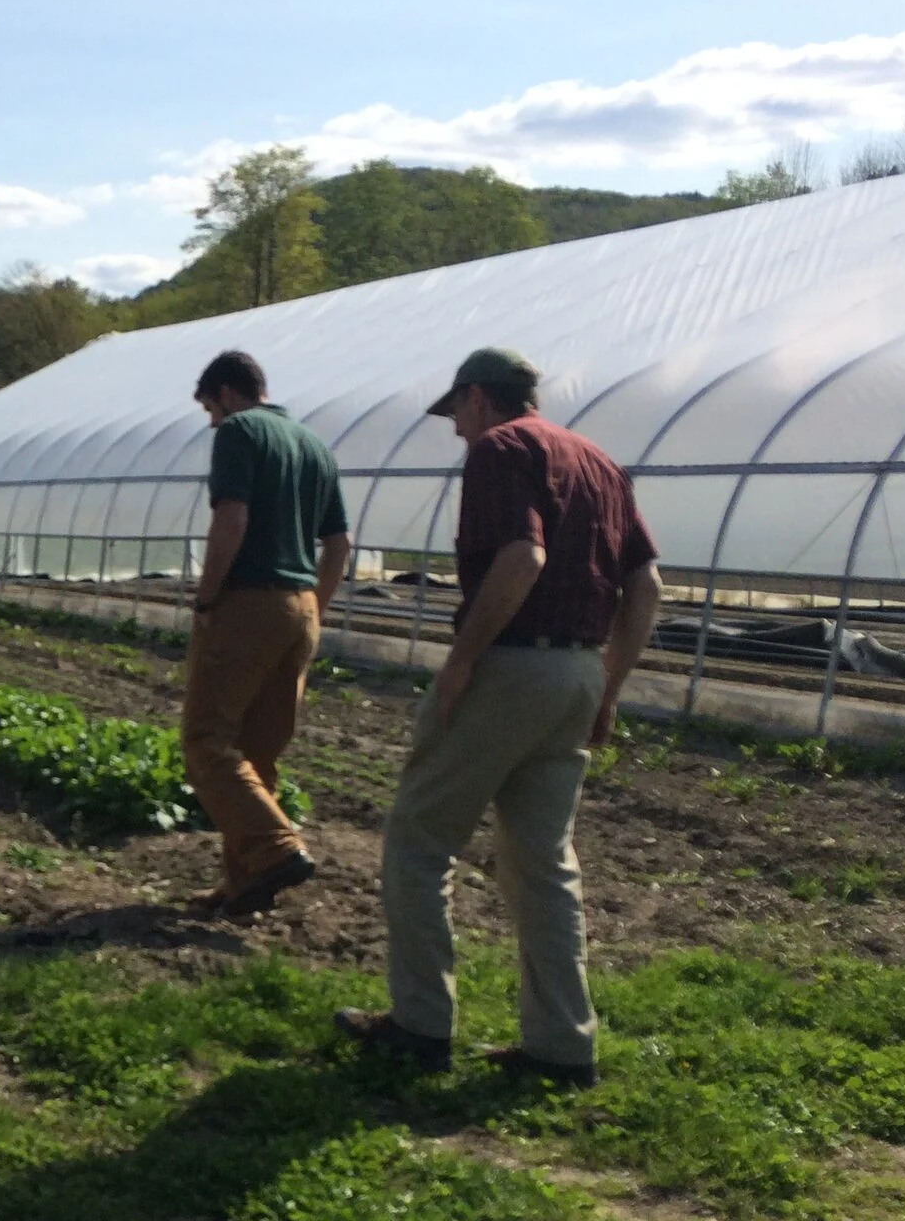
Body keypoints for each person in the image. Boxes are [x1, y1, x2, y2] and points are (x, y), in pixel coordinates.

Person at [336, 347, 662, 1089]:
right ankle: (561, 1044)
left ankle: (420, 1024)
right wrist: (608, 687)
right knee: (544, 861)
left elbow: (523, 557)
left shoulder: (502, 449)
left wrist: (461, 661)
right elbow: (646, 583)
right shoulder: (602, 463)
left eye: (455, 413)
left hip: (511, 664)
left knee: (420, 837)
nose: (456, 430)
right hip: (578, 670)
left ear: (478, 398)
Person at [181, 350, 351, 916]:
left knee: (206, 740)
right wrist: (314, 609)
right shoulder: (314, 446)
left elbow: (231, 519)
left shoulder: (239, 432)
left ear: (227, 394)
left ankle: (277, 848)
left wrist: (207, 599)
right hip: (301, 607)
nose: (211, 421)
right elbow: (339, 546)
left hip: (250, 600)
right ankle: (245, 884)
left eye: (210, 407)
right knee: (258, 753)